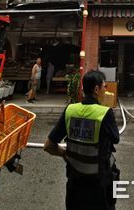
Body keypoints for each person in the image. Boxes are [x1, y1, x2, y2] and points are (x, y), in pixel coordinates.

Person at [44, 70, 120, 210]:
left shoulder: (70, 110)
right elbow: (116, 138)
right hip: (99, 186)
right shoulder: (105, 113)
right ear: (97, 89)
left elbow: (48, 145)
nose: (105, 90)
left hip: (75, 185)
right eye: (104, 86)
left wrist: (64, 154)